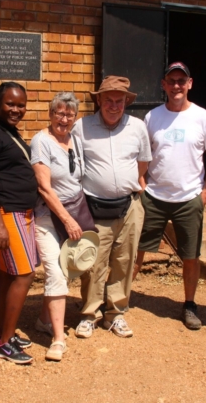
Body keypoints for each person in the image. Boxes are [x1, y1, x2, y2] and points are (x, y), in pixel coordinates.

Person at [133, 62, 206, 330]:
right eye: (171, 81)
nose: (176, 86)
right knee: (136, 249)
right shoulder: (153, 117)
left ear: (190, 84)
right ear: (163, 84)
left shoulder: (203, 117)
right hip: (154, 196)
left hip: (189, 197)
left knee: (190, 255)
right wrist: (141, 182)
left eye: (181, 81)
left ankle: (190, 304)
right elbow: (144, 154)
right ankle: (119, 298)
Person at [72, 76, 152, 338]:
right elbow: (76, 166)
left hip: (129, 207)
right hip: (94, 206)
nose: (114, 106)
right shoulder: (81, 127)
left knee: (124, 260)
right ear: (99, 100)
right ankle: (89, 314)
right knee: (93, 262)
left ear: (126, 102)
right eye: (109, 100)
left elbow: (143, 162)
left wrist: (130, 183)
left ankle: (115, 313)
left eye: (120, 101)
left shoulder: (137, 127)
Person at [0, 82, 39, 364]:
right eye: (10, 104)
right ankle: (4, 344)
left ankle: (2, 332)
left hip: (19, 213)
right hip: (7, 214)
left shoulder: (8, 133)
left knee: (8, 274)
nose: (16, 109)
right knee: (24, 274)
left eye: (21, 105)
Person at [30, 92, 85, 361]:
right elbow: (44, 187)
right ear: (50, 114)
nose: (64, 119)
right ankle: (58, 338)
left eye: (69, 114)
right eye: (59, 113)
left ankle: (43, 320)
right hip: (48, 218)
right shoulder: (41, 142)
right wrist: (67, 219)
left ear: (75, 117)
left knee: (65, 269)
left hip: (73, 212)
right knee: (56, 271)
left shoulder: (75, 140)